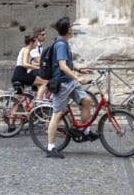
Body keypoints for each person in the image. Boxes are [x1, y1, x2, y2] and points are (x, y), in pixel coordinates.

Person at [45, 16, 94, 158]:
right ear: (67, 29)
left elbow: (68, 63)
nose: (72, 29)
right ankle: (50, 148)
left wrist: (80, 70)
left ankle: (85, 131)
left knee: (86, 101)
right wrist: (78, 77)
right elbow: (62, 66)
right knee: (57, 114)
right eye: (71, 26)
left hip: (70, 82)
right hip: (62, 83)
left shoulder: (65, 43)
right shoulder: (60, 44)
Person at [30, 27, 49, 99]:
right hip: (33, 71)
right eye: (43, 34)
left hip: (37, 69)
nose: (45, 36)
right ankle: (39, 103)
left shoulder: (40, 46)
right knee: (47, 83)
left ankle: (40, 100)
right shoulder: (34, 46)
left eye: (45, 34)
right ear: (37, 36)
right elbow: (40, 61)